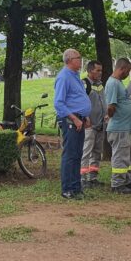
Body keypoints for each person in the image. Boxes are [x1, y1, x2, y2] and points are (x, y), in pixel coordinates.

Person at [53, 49, 91, 200]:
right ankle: (67, 189)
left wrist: (85, 116)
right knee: (70, 155)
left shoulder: (75, 76)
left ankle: (76, 187)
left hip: (79, 119)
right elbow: (59, 103)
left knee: (77, 154)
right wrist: (74, 118)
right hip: (70, 120)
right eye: (78, 58)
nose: (81, 60)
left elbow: (78, 98)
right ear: (69, 60)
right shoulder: (63, 77)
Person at [105, 58, 131, 194]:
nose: (128, 74)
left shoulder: (119, 83)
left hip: (124, 127)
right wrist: (111, 116)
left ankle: (124, 180)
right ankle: (117, 184)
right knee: (119, 156)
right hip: (119, 127)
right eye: (128, 71)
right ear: (122, 69)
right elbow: (111, 106)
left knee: (125, 155)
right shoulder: (112, 83)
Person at [81, 61, 107, 189]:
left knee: (97, 152)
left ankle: (93, 177)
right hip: (89, 125)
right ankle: (83, 178)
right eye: (98, 70)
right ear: (90, 70)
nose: (100, 73)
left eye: (101, 70)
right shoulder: (84, 84)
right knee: (86, 151)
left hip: (101, 124)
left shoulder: (101, 85)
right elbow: (80, 103)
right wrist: (86, 118)